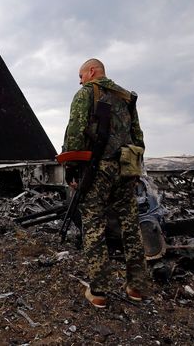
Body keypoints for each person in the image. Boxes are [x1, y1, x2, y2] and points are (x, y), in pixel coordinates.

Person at [63, 58, 149, 308]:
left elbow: (75, 134)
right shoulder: (126, 97)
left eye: (81, 75)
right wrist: (133, 169)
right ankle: (137, 287)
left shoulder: (86, 93)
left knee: (93, 225)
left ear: (92, 72)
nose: (80, 80)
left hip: (98, 169)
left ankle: (99, 291)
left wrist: (71, 171)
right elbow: (138, 137)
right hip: (126, 169)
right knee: (130, 227)